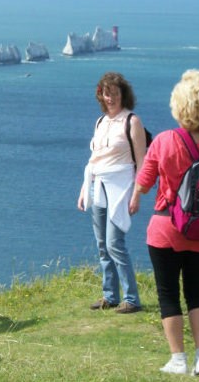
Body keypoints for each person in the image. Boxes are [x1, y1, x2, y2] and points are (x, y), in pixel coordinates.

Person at [132, 69, 199, 376]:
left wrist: (139, 189)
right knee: (197, 291)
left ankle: (178, 359)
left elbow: (144, 182)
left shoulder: (165, 140)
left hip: (167, 228)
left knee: (168, 294)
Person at [77, 72, 146, 314]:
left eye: (115, 93)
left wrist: (137, 194)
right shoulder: (100, 122)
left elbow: (142, 161)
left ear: (123, 95)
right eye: (107, 93)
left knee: (115, 243)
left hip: (120, 189)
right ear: (100, 94)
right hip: (97, 186)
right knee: (102, 245)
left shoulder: (132, 122)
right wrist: (85, 189)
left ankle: (132, 298)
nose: (111, 98)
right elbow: (94, 160)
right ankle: (110, 295)